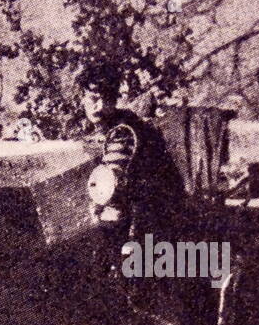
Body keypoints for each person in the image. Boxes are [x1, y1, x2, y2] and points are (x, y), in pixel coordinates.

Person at [77, 62, 185, 240]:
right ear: (83, 98)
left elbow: (111, 188)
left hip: (147, 224)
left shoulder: (123, 132)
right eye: (94, 98)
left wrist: (98, 209)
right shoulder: (120, 123)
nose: (100, 106)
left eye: (108, 99)